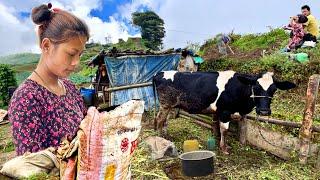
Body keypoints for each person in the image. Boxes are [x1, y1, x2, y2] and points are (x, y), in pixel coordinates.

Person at [8, 3, 90, 155]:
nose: (76, 62)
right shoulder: (26, 99)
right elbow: (33, 170)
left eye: (80, 55)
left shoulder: (70, 87)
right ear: (46, 46)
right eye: (71, 54)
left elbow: (86, 130)